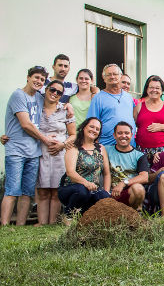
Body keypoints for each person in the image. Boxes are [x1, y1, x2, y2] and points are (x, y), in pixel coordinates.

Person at [2, 66, 55, 226]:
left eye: (42, 79)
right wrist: (45, 140)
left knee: (27, 192)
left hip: (33, 152)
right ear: (28, 77)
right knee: (12, 191)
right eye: (36, 77)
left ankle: (20, 225)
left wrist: (69, 106)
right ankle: (5, 226)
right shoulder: (18, 95)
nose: (39, 81)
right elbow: (26, 124)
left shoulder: (39, 97)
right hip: (16, 151)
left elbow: (54, 101)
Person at [35, 79, 76, 225]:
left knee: (55, 191)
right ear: (46, 89)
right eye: (52, 90)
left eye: (59, 92)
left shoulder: (65, 110)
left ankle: (52, 223)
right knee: (42, 191)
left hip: (58, 154)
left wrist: (62, 145)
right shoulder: (35, 107)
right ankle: (41, 223)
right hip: (40, 153)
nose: (55, 93)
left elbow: (73, 134)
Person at [57, 117, 111, 217]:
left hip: (92, 190)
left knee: (104, 198)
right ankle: (68, 215)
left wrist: (107, 191)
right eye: (91, 126)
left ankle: (82, 216)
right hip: (70, 188)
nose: (94, 130)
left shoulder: (101, 149)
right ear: (83, 127)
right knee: (82, 191)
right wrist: (86, 183)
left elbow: (106, 173)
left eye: (97, 129)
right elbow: (70, 172)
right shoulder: (73, 147)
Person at [87, 64, 136, 147]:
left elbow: (135, 117)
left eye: (115, 74)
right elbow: (91, 123)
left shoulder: (128, 96)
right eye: (108, 74)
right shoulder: (98, 98)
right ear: (104, 78)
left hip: (129, 147)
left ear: (120, 76)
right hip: (107, 146)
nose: (112, 77)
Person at [106, 121, 149, 211]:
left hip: (129, 194)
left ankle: (131, 213)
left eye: (126, 133)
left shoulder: (139, 155)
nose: (123, 136)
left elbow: (144, 177)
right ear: (114, 135)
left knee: (139, 189)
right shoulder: (106, 150)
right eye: (119, 133)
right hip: (109, 194)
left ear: (132, 135)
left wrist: (123, 184)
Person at [135, 76, 164, 158]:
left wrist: (161, 127)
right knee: (144, 171)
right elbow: (132, 126)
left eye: (157, 88)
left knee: (163, 170)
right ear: (147, 90)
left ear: (162, 91)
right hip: (142, 150)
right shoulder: (139, 106)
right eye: (151, 87)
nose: (154, 90)